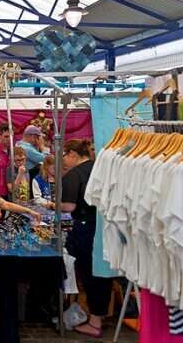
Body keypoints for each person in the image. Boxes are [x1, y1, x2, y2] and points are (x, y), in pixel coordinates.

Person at [60, 139, 112, 338]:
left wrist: (53, 205)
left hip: (86, 228)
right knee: (102, 273)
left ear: (73, 154)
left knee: (90, 274)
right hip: (105, 226)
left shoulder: (74, 175)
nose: (64, 160)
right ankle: (100, 314)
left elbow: (69, 206)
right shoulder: (100, 168)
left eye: (65, 155)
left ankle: (95, 321)